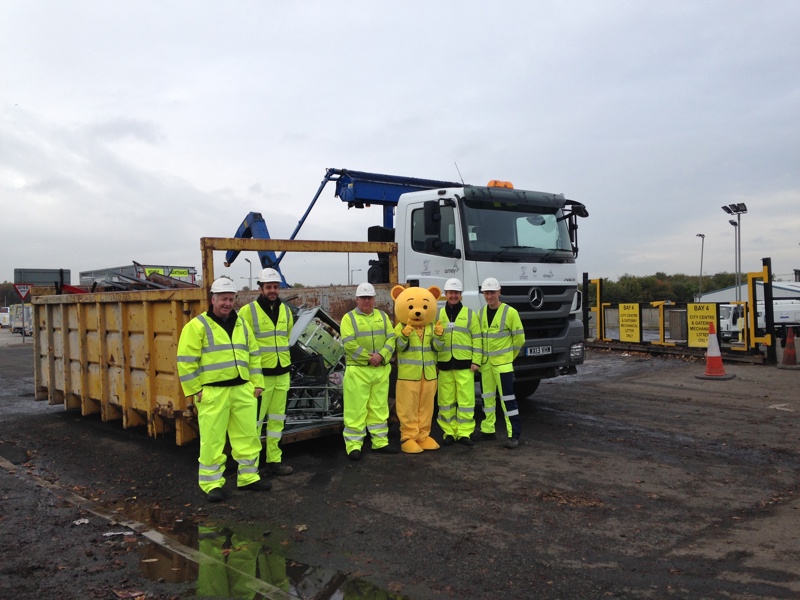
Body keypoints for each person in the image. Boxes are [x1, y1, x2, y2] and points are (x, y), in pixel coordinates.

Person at [176, 276, 270, 502]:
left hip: (242, 390)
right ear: (212, 300)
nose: (227, 303)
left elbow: (254, 355)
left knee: (247, 437)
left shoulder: (241, 324)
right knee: (212, 440)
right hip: (213, 392)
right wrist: (196, 390)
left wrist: (257, 384)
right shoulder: (197, 326)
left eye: (231, 299)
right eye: (223, 299)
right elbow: (185, 360)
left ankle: (248, 478)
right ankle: (211, 484)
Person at [239, 267, 294, 477]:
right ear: (260, 288)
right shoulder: (248, 311)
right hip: (260, 377)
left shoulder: (286, 311)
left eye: (275, 287)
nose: (272, 290)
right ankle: (251, 465)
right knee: (254, 423)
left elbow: (286, 336)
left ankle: (274, 461)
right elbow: (242, 344)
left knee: (277, 420)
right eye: (268, 287)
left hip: (282, 374)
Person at [340, 282, 398, 460]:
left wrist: (381, 356)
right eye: (363, 298)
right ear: (356, 299)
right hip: (358, 370)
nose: (366, 301)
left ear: (374, 299)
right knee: (356, 410)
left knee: (379, 408)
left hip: (379, 370)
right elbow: (349, 344)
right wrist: (369, 357)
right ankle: (354, 445)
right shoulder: (348, 319)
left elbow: (391, 338)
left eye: (369, 298)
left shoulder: (382, 316)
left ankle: (380, 442)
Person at [474, 277, 525, 449]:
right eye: (487, 293)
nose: (489, 296)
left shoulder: (510, 313)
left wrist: (510, 357)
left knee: (507, 400)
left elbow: (519, 339)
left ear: (499, 292)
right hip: (486, 364)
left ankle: (514, 435)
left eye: (492, 293)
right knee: (487, 399)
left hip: (503, 364)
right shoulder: (480, 313)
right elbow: (479, 339)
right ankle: (488, 431)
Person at [436, 278, 482, 447]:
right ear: (445, 294)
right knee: (445, 401)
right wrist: (435, 362)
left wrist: (476, 361)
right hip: (445, 365)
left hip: (465, 365)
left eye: (456, 293)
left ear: (460, 295)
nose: (453, 296)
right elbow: (433, 341)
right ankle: (448, 432)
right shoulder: (438, 315)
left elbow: (477, 339)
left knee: (466, 401)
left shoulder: (470, 314)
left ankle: (464, 433)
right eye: (450, 293)